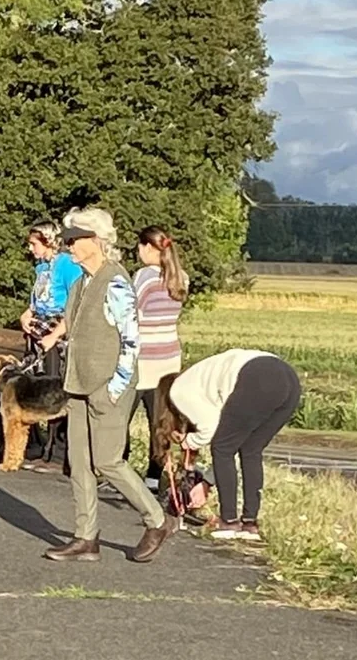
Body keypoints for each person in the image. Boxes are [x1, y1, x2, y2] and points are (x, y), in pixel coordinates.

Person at [39, 207, 175, 564]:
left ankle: (157, 520)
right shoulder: (81, 282)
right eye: (66, 239)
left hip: (107, 385)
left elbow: (131, 340)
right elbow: (76, 324)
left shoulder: (115, 281)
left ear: (96, 242)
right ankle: (86, 538)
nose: (67, 245)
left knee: (108, 460)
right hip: (79, 383)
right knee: (79, 461)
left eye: (74, 239)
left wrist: (114, 388)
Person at [153, 350, 301, 542]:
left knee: (222, 448)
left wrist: (187, 441)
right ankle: (250, 524)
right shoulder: (201, 380)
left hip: (257, 376)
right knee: (250, 450)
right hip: (288, 378)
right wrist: (206, 482)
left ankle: (229, 522)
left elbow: (210, 429)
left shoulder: (178, 391)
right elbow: (228, 438)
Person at [125, 226, 189, 489]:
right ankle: (154, 476)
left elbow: (131, 313)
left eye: (140, 247)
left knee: (121, 418)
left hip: (143, 358)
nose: (138, 252)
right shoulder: (181, 277)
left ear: (149, 248)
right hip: (169, 357)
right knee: (160, 421)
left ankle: (121, 469)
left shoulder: (144, 277)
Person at [19, 220, 81, 379]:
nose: (30, 248)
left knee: (51, 380)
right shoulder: (42, 267)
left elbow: (76, 302)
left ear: (47, 242)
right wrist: (27, 314)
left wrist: (54, 335)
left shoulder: (67, 265)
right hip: (38, 326)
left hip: (58, 329)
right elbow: (40, 299)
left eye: (34, 244)